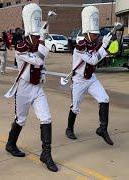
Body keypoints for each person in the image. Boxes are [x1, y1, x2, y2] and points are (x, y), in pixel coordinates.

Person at [4, 3, 58, 172]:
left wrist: (42, 76)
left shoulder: (38, 44)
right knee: (21, 119)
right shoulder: (21, 47)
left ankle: (46, 154)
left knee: (46, 118)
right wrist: (41, 40)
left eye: (38, 36)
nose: (37, 38)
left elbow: (42, 63)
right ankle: (10, 144)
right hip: (24, 89)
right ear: (29, 34)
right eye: (35, 36)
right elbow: (38, 60)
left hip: (37, 88)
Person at [65, 6, 114, 146]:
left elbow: (98, 55)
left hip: (91, 78)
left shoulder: (95, 43)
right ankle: (69, 128)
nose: (96, 36)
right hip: (79, 80)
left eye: (96, 34)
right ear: (87, 33)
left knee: (104, 98)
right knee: (75, 107)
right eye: (94, 33)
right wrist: (103, 47)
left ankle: (102, 129)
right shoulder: (80, 46)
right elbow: (93, 59)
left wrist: (104, 44)